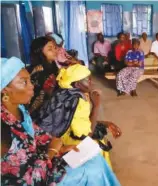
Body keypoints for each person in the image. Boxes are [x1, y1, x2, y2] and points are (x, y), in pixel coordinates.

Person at [1, 57, 121, 186]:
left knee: (96, 160)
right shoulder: (3, 130)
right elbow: (28, 180)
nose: (32, 86)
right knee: (92, 171)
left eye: (30, 80)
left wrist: (61, 148)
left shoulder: (19, 109)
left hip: (44, 160)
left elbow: (39, 135)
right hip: (35, 176)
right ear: (4, 90)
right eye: (24, 82)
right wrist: (52, 151)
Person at [34, 64, 122, 169]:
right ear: (77, 84)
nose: (91, 83)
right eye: (88, 80)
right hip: (71, 143)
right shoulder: (78, 101)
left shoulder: (64, 93)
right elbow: (87, 135)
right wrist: (96, 106)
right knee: (97, 151)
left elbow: (76, 120)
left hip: (61, 136)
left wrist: (106, 123)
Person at [27, 36, 59, 119]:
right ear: (40, 52)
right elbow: (37, 99)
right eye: (50, 49)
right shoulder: (39, 71)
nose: (55, 51)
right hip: (39, 113)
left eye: (55, 48)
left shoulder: (52, 66)